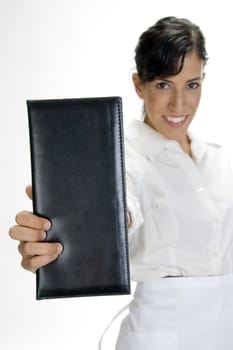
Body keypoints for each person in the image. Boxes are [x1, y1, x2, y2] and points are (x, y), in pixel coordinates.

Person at [9, 16, 233, 350]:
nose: (179, 104)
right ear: (138, 85)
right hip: (161, 339)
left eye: (192, 84)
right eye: (162, 84)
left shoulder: (218, 159)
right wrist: (63, 241)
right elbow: (117, 206)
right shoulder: (123, 157)